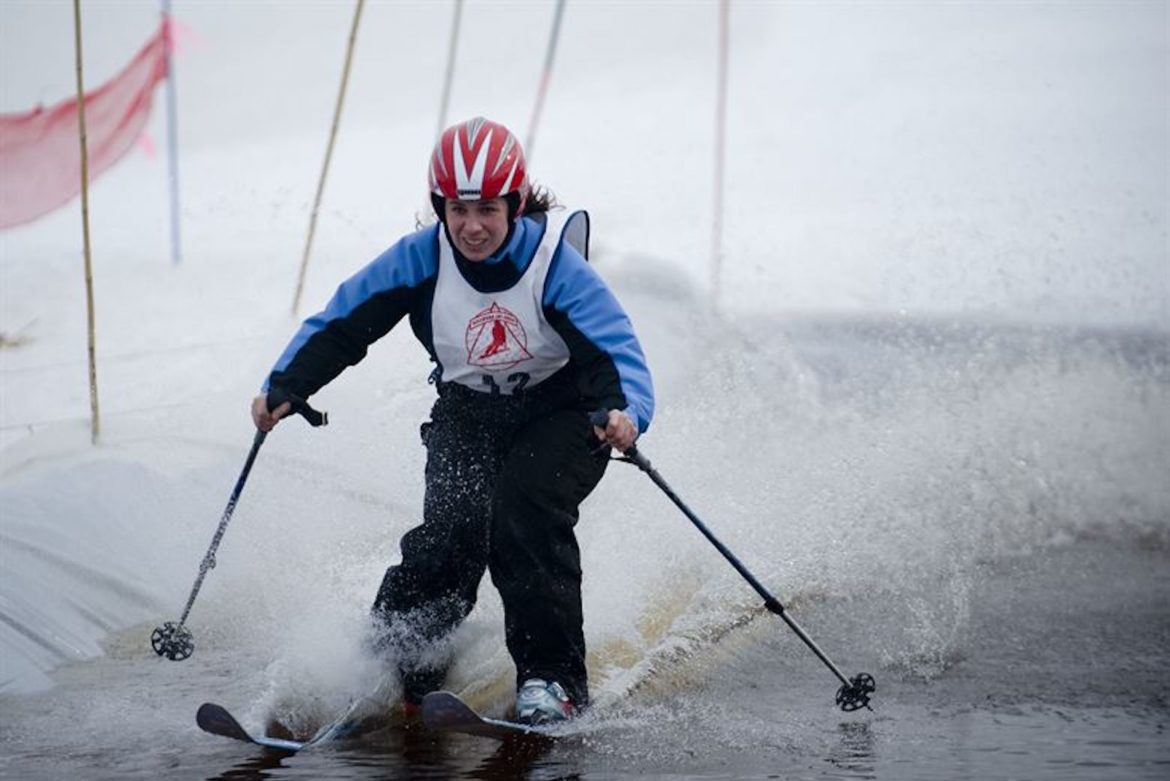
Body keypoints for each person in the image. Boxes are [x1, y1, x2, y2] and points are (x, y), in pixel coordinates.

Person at [252, 117, 654, 725]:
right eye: (457, 209)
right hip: (469, 411)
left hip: (566, 413)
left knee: (523, 511)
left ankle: (553, 682)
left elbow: (614, 349)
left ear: (515, 203)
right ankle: (399, 664)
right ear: (440, 205)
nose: (471, 226)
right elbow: (342, 323)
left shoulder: (556, 267)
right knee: (452, 527)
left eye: (488, 209)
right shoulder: (420, 259)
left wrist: (626, 414)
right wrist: (287, 385)